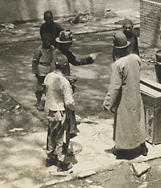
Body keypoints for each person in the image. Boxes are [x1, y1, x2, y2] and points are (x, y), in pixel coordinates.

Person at [103, 31, 148, 160]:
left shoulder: (118, 65)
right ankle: (143, 146)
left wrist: (107, 104)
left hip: (125, 99)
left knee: (125, 124)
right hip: (136, 95)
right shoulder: (135, 58)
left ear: (116, 49)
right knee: (138, 121)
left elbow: (115, 87)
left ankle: (127, 150)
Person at [52, 30, 96, 143]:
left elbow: (75, 60)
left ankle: (70, 128)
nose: (71, 44)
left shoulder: (66, 52)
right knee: (63, 107)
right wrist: (66, 78)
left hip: (66, 84)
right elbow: (53, 72)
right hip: (59, 85)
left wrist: (88, 58)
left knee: (69, 105)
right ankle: (64, 131)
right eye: (69, 42)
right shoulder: (56, 54)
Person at [44, 54, 75, 172]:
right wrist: (73, 108)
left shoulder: (48, 76)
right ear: (65, 66)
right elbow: (69, 102)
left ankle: (49, 157)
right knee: (61, 138)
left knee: (51, 134)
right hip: (61, 111)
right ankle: (61, 162)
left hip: (51, 109)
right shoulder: (64, 82)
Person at [31, 33, 55, 111]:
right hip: (41, 68)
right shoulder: (39, 49)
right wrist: (35, 71)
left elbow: (53, 59)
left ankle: (49, 101)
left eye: (50, 41)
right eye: (47, 41)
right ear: (43, 41)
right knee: (41, 87)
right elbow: (35, 61)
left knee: (49, 86)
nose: (49, 43)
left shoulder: (52, 49)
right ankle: (39, 101)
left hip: (49, 69)